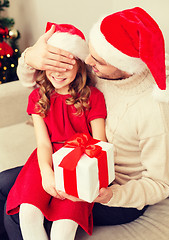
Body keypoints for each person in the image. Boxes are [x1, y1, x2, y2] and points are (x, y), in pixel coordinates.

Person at [1, 6, 169, 239]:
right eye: (90, 52)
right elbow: (35, 80)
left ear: (122, 65)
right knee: (2, 185)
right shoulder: (97, 72)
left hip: (115, 190)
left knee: (16, 214)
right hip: (70, 162)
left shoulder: (153, 112)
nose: (88, 59)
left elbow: (160, 185)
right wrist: (30, 56)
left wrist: (110, 195)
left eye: (98, 60)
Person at [5, 22, 108, 240]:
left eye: (66, 65)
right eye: (53, 64)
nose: (58, 73)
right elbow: (43, 143)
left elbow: (99, 143)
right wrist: (47, 173)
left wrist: (83, 177)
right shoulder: (37, 97)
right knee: (28, 214)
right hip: (46, 159)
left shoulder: (93, 97)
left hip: (80, 164)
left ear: (80, 66)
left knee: (64, 228)